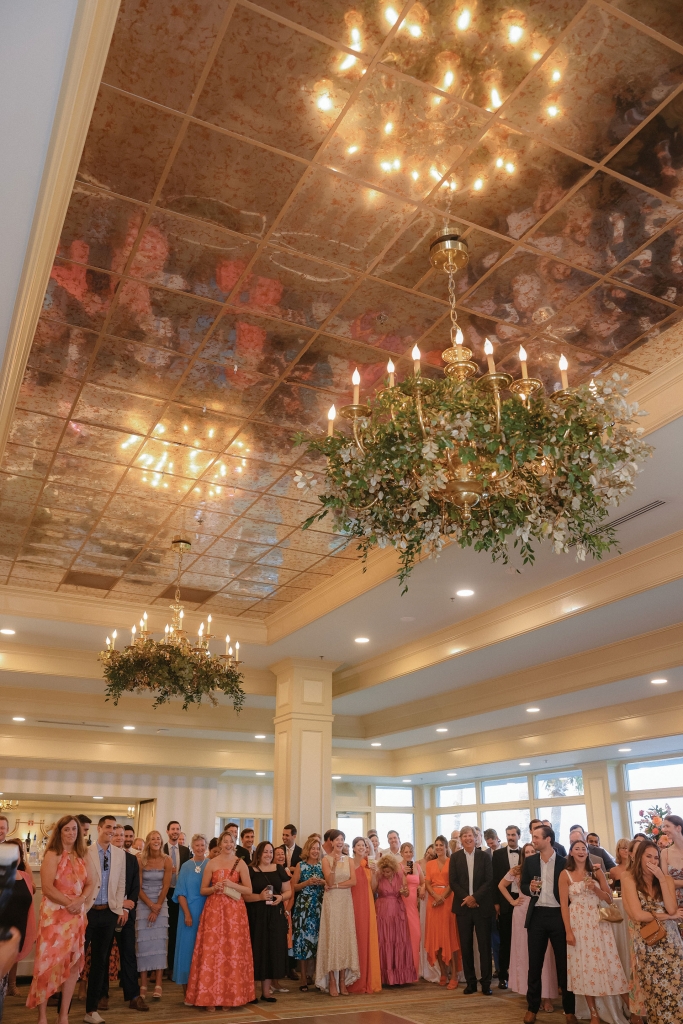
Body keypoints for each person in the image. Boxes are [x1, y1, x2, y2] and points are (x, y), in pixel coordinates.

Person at [27, 815, 94, 1024]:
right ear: (60, 831)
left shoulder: (83, 854)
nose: (71, 833)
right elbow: (47, 888)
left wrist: (81, 900)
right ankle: (43, 1016)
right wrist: (69, 903)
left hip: (76, 917)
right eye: (67, 829)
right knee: (48, 965)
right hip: (54, 918)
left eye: (75, 829)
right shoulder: (53, 854)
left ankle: (63, 1015)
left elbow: (91, 883)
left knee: (73, 965)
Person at [559, 839, 629, 1022]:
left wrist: (595, 890)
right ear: (571, 853)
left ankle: (632, 1009)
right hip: (577, 924)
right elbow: (564, 907)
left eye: (584, 848)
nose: (581, 851)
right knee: (584, 968)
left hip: (598, 924)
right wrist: (568, 931)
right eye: (577, 848)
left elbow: (609, 899)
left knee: (609, 964)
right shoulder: (565, 874)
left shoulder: (596, 872)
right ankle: (594, 1013)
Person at [186, 829, 254, 1009]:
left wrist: (232, 885)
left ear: (235, 843)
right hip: (214, 911)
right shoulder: (211, 863)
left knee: (232, 952)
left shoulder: (241, 863)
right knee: (212, 952)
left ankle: (229, 997)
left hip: (235, 913)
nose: (228, 844)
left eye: (231, 841)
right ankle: (209, 997)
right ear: (220, 844)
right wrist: (214, 887)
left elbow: (248, 890)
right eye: (225, 841)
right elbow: (203, 890)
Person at [621, 839, 683, 1024]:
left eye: (656, 857)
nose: (653, 861)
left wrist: (662, 879)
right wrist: (668, 917)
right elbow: (638, 915)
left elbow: (672, 908)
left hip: (671, 943)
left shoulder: (666, 880)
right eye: (648, 856)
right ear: (639, 857)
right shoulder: (629, 878)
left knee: (677, 989)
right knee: (655, 991)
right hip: (648, 942)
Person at [521, 824, 577, 1024]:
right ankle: (532, 1008)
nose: (533, 840)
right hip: (537, 916)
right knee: (534, 965)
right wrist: (530, 888)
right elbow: (523, 885)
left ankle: (569, 1010)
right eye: (533, 837)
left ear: (548, 839)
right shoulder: (530, 861)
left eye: (536, 837)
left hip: (559, 916)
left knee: (564, 965)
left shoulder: (564, 862)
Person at [499, 842, 558, 1013]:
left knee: (545, 955)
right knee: (525, 955)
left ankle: (547, 996)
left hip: (540, 912)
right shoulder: (517, 870)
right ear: (523, 855)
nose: (531, 854)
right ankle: (532, 996)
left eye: (533, 851)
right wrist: (512, 901)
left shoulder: (543, 867)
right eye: (528, 852)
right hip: (521, 913)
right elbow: (501, 885)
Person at [83, 815, 126, 1024]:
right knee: (75, 960)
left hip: (108, 914)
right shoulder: (85, 851)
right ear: (98, 828)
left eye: (114, 827)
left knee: (100, 962)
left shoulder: (120, 854)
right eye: (108, 827)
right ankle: (63, 1009)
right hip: (87, 912)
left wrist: (117, 908)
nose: (111, 830)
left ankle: (91, 1010)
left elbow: (121, 882)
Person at [243, 842, 290, 1002]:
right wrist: (260, 897)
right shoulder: (250, 871)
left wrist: (281, 897)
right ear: (259, 854)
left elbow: (289, 890)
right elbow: (244, 896)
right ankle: (251, 992)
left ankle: (266, 992)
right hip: (256, 916)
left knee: (272, 951)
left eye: (271, 852)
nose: (269, 855)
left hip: (275, 915)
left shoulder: (279, 869)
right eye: (265, 852)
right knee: (257, 951)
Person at [449, 824, 493, 996]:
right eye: (464, 835)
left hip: (482, 907)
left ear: (476, 838)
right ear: (460, 839)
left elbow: (489, 881)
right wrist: (467, 899)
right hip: (463, 908)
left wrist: (475, 898)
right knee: (466, 947)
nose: (468, 838)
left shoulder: (484, 856)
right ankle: (471, 983)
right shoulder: (455, 857)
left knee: (484, 946)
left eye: (470, 835)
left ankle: (486, 983)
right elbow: (453, 882)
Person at [107, 825, 146, 1012]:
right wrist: (118, 905)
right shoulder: (103, 858)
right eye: (116, 834)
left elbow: (134, 887)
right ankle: (101, 996)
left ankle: (134, 996)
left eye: (122, 835)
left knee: (129, 955)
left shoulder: (131, 860)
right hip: (105, 914)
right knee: (103, 956)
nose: (119, 837)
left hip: (127, 915)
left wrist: (126, 907)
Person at [315, 829, 359, 995]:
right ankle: (332, 980)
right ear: (331, 842)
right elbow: (329, 880)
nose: (340, 842)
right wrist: (333, 867)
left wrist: (338, 886)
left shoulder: (349, 860)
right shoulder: (325, 859)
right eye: (337, 840)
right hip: (332, 901)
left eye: (342, 839)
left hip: (345, 900)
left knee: (344, 938)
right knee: (333, 937)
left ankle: (342, 979)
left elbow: (353, 881)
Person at [136, 831, 172, 1000]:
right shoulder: (140, 859)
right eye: (153, 839)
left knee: (159, 944)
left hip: (161, 902)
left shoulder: (167, 860)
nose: (156, 841)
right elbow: (138, 886)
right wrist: (150, 905)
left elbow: (166, 886)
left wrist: (157, 906)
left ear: (161, 841)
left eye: (158, 839)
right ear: (148, 842)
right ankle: (143, 984)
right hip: (143, 903)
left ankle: (158, 983)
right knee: (143, 945)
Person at [172, 834, 208, 997]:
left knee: (204, 953)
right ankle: (187, 992)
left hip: (207, 914)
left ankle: (202, 991)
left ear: (206, 846)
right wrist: (187, 914)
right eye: (197, 845)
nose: (200, 848)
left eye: (202, 845)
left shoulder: (211, 865)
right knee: (187, 951)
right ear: (192, 847)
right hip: (188, 914)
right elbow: (180, 893)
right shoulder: (186, 866)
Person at [374, 855, 416, 986]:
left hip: (398, 911)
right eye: (384, 871)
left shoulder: (400, 875)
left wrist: (404, 892)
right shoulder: (378, 875)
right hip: (382, 911)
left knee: (399, 941)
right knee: (385, 940)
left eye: (388, 871)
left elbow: (406, 892)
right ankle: (385, 977)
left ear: (393, 869)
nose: (386, 874)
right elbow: (372, 890)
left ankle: (400, 976)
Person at [424, 835, 460, 986]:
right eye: (436, 845)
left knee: (449, 937)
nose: (438, 847)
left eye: (441, 845)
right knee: (436, 939)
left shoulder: (452, 862)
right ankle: (443, 973)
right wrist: (434, 896)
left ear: (446, 847)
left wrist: (442, 898)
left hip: (448, 902)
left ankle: (454, 975)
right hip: (433, 903)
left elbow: (453, 883)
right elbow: (427, 883)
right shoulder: (430, 864)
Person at [346, 837, 381, 994]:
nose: (362, 847)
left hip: (367, 904)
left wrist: (374, 873)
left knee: (367, 939)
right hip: (352, 904)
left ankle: (368, 979)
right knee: (356, 938)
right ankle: (353, 979)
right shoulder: (349, 863)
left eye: (364, 845)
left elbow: (373, 888)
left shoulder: (369, 865)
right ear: (354, 848)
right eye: (359, 845)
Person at [291, 836, 325, 991]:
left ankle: (316, 977)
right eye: (313, 848)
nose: (315, 851)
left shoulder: (322, 865)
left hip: (318, 906)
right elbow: (294, 887)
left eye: (318, 849)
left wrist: (322, 883)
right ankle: (303, 977)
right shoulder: (300, 865)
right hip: (303, 907)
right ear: (307, 849)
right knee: (303, 942)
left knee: (317, 942)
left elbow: (329, 883)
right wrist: (307, 883)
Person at [4, 837, 36, 998]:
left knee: (14, 955)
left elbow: (31, 894)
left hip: (20, 921)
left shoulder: (25, 875)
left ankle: (10, 985)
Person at [492, 824, 521, 991]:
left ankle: (521, 975)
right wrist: (496, 903)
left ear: (518, 836)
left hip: (522, 900)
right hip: (504, 901)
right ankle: (503, 976)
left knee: (522, 940)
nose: (510, 837)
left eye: (513, 835)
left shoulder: (526, 852)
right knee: (505, 940)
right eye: (508, 835)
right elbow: (495, 880)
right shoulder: (498, 855)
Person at [162, 821, 189, 980]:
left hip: (179, 894)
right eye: (173, 829)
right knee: (162, 931)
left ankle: (172, 966)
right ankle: (159, 968)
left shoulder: (185, 851)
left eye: (178, 829)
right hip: (164, 893)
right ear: (167, 831)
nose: (175, 831)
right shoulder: (161, 849)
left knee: (174, 931)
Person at [399, 841, 423, 976]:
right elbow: (397, 885)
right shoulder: (398, 867)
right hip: (402, 904)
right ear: (401, 853)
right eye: (406, 852)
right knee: (403, 937)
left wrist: (422, 889)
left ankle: (414, 969)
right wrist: (403, 873)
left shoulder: (418, 867)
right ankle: (404, 970)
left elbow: (424, 882)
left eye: (410, 851)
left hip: (414, 905)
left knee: (416, 935)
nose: (408, 854)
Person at [661, 813, 683, 934]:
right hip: (673, 903)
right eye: (664, 827)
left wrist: (674, 882)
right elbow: (664, 881)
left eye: (667, 826)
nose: (664, 830)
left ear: (678, 828)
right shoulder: (665, 853)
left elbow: (670, 881)